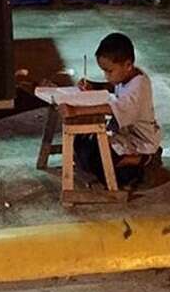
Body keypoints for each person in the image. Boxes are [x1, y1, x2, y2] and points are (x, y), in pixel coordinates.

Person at [61, 33, 162, 188]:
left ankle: (145, 159)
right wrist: (93, 85)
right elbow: (114, 87)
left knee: (106, 170)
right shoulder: (128, 75)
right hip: (125, 136)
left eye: (109, 71)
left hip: (141, 142)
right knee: (81, 144)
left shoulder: (139, 87)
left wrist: (75, 110)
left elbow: (111, 108)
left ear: (128, 65)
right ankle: (131, 160)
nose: (106, 76)